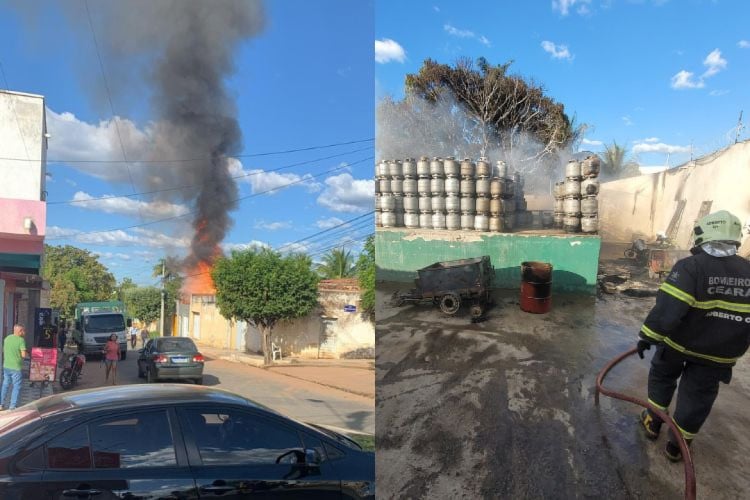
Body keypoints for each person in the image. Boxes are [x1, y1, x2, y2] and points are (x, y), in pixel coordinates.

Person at [637, 210, 750, 462]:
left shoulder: (691, 267)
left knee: (662, 375)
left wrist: (648, 336)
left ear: (703, 235)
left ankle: (653, 421)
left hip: (679, 345)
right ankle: (678, 445)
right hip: (720, 355)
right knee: (698, 396)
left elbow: (668, 310)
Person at [1, 324, 28, 411]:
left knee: (5, 385)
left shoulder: (7, 338)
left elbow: (4, 350)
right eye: (23, 331)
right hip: (16, 367)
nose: (24, 332)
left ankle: (1, 404)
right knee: (16, 386)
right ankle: (12, 407)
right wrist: (27, 354)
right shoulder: (21, 340)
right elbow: (23, 355)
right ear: (19, 331)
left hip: (6, 366)